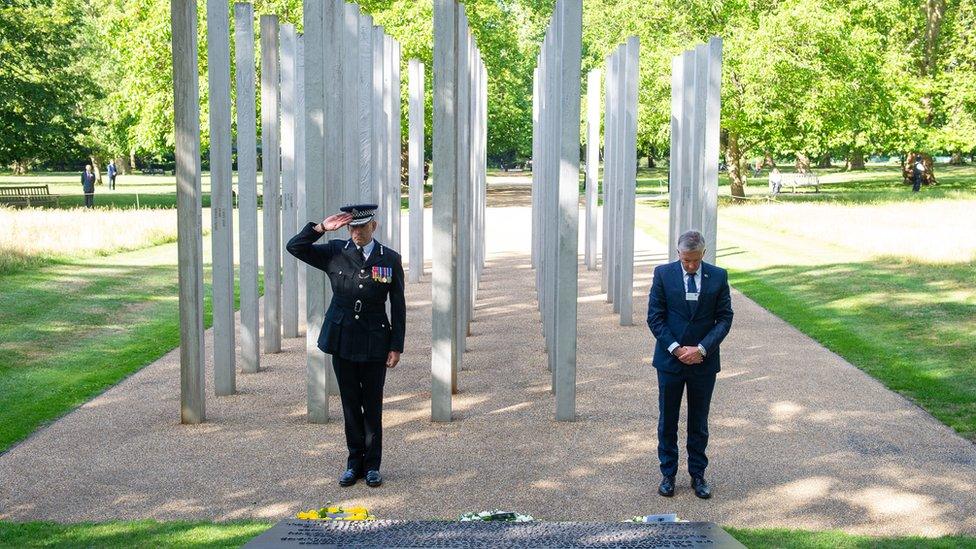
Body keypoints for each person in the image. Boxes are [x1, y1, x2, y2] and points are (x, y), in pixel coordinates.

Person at [286, 204, 406, 488]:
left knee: (372, 403)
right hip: (343, 340)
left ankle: (373, 466)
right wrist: (320, 229)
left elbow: (398, 306)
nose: (356, 233)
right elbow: (295, 247)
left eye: (362, 227)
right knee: (351, 404)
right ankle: (354, 463)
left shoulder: (388, 258)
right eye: (352, 228)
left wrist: (396, 345)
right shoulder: (335, 252)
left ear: (373, 227)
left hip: (375, 340)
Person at [646, 230, 734, 500]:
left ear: (703, 254)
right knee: (667, 420)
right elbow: (655, 317)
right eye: (686, 261)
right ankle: (668, 475)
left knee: (699, 421)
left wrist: (702, 349)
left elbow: (724, 318)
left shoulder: (718, 276)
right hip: (670, 361)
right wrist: (676, 348)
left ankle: (698, 475)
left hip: (703, 363)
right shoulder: (663, 274)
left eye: (695, 260)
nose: (691, 266)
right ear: (678, 254)